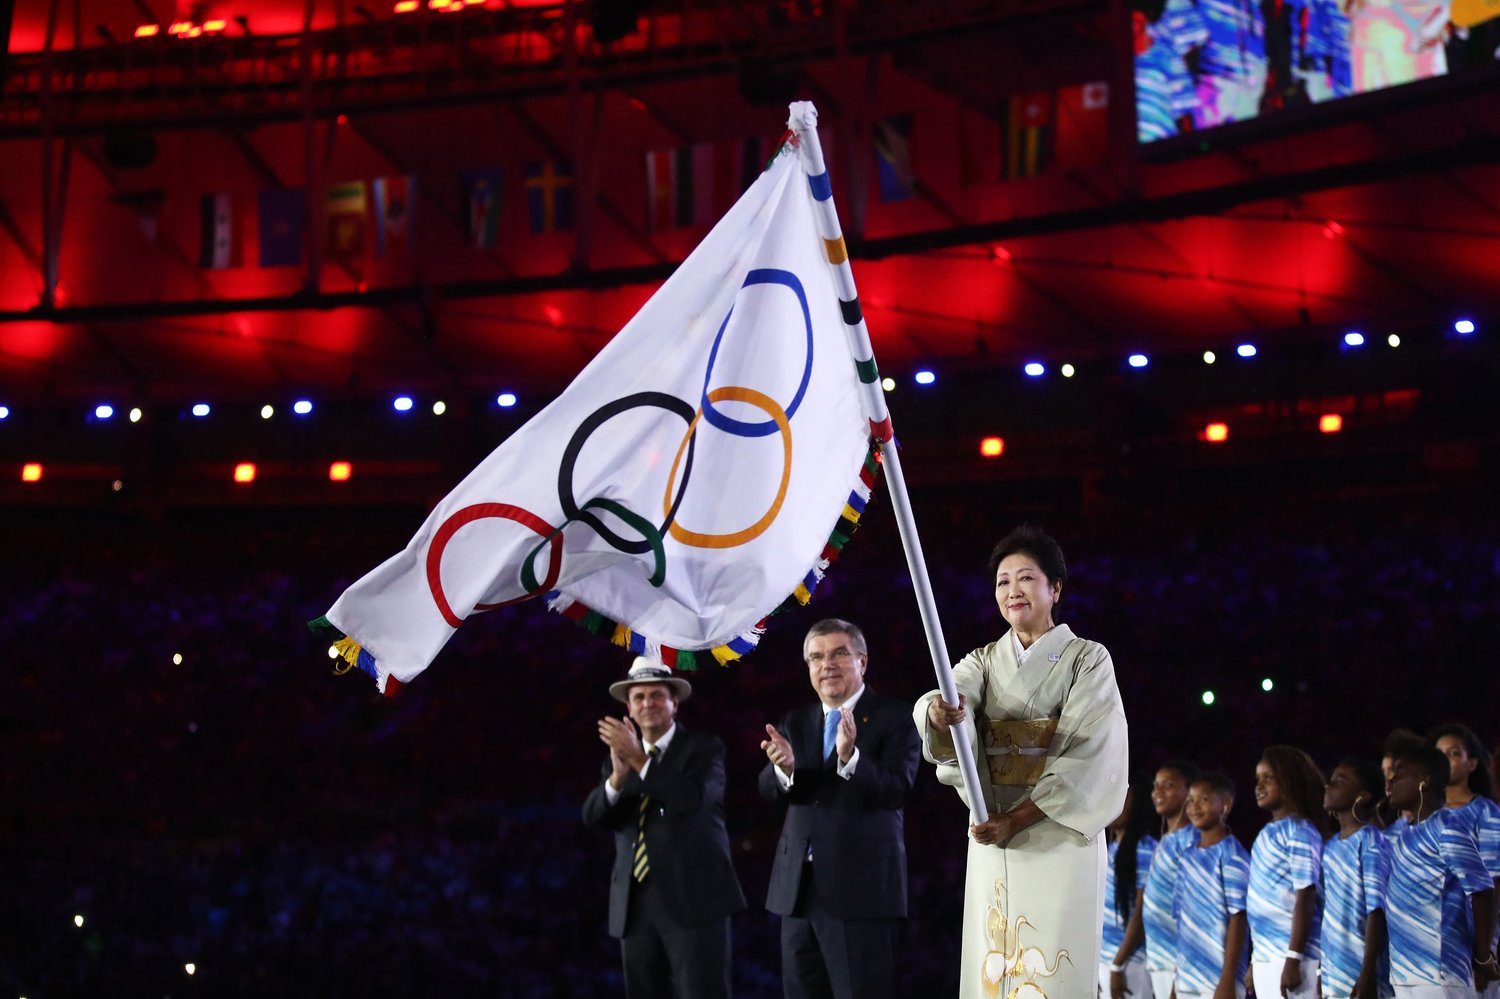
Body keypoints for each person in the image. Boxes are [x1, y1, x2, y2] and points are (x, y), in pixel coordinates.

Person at [915, 524, 1128, 999]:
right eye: (1003, 581)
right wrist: (938, 709)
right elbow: (953, 691)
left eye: (1026, 578)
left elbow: (1089, 756)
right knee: (994, 959)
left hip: (1055, 827)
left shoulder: (1087, 659)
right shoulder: (985, 659)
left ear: (1055, 589)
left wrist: (1019, 818)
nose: (1013, 590)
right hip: (992, 828)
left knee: (1051, 957)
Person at [758, 618, 920, 999]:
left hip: (861, 892)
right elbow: (768, 791)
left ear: (862, 661)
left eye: (838, 654)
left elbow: (897, 790)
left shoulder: (896, 717)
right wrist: (783, 772)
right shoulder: (796, 721)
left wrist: (852, 759)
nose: (826, 664)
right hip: (797, 891)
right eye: (816, 657)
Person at [582, 657, 747, 999]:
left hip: (695, 900)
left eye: (657, 695)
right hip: (635, 904)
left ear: (675, 703)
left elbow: (690, 800)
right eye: (639, 697)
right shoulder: (619, 760)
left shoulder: (704, 748)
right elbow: (594, 817)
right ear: (628, 707)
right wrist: (617, 777)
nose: (648, 704)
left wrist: (639, 762)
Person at [1383, 743, 1497, 998]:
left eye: (1399, 773)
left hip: (1439, 972)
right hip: (1406, 973)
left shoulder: (1447, 825)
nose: (1390, 781)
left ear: (1424, 781)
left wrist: (1482, 955)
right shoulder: (1406, 832)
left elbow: (1482, 889)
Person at [1248, 745, 1332, 999]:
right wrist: (1255, 959)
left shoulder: (1301, 831)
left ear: (1290, 782)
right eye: (1258, 779)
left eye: (1269, 778)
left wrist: (1293, 958)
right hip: (1267, 957)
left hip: (1296, 959)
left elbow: (1305, 896)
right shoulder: (1266, 833)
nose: (1259, 786)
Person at [1430, 724, 1500, 998]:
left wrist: (1485, 951)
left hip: (1471, 942)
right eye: (1439, 754)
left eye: (1454, 753)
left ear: (1471, 763)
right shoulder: (1424, 814)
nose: (1445, 760)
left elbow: (1493, 883)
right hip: (1430, 944)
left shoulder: (1485, 812)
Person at [1173, 772, 1251, 999]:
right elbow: (1183, 924)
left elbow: (1239, 919)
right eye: (1190, 800)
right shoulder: (1187, 857)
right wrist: (1176, 982)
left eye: (1204, 799)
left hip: (1218, 982)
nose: (1194, 807)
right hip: (1187, 981)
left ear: (1225, 806)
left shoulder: (1233, 855)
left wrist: (1227, 980)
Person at [1320, 757, 1392, 999]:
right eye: (1329, 781)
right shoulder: (1330, 847)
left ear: (1363, 796)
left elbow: (1377, 911)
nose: (1328, 786)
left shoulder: (1370, 840)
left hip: (1362, 973)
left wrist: (1368, 973)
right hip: (1334, 972)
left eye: (1339, 781)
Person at [1144, 760, 1203, 999]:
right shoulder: (1166, 840)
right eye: (1156, 786)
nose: (1158, 792)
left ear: (1189, 791)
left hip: (1180, 963)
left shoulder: (1192, 840)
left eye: (1168, 785)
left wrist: (1182, 972)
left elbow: (1195, 910)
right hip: (1158, 959)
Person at [1102, 779, 1159, 999]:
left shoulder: (1146, 850)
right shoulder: (1112, 848)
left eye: (1123, 800)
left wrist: (1117, 965)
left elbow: (1141, 914)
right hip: (1106, 959)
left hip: (1131, 963)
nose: (1114, 805)